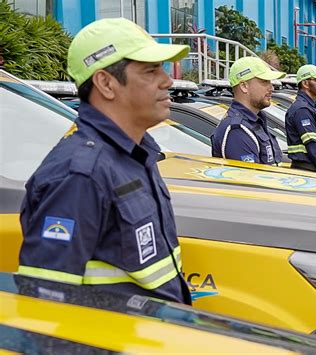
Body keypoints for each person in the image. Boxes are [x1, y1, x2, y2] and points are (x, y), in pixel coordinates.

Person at [18, 18, 192, 305]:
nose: (168, 80)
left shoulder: (137, 154)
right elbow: (45, 305)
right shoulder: (79, 175)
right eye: (150, 71)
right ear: (106, 84)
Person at [211, 57, 285, 165]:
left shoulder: (255, 121)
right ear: (244, 86)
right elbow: (250, 179)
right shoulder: (237, 131)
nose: (271, 88)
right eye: (264, 81)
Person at [285, 65, 316, 175]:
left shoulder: (311, 106)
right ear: (305, 83)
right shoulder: (302, 109)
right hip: (308, 170)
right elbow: (312, 146)